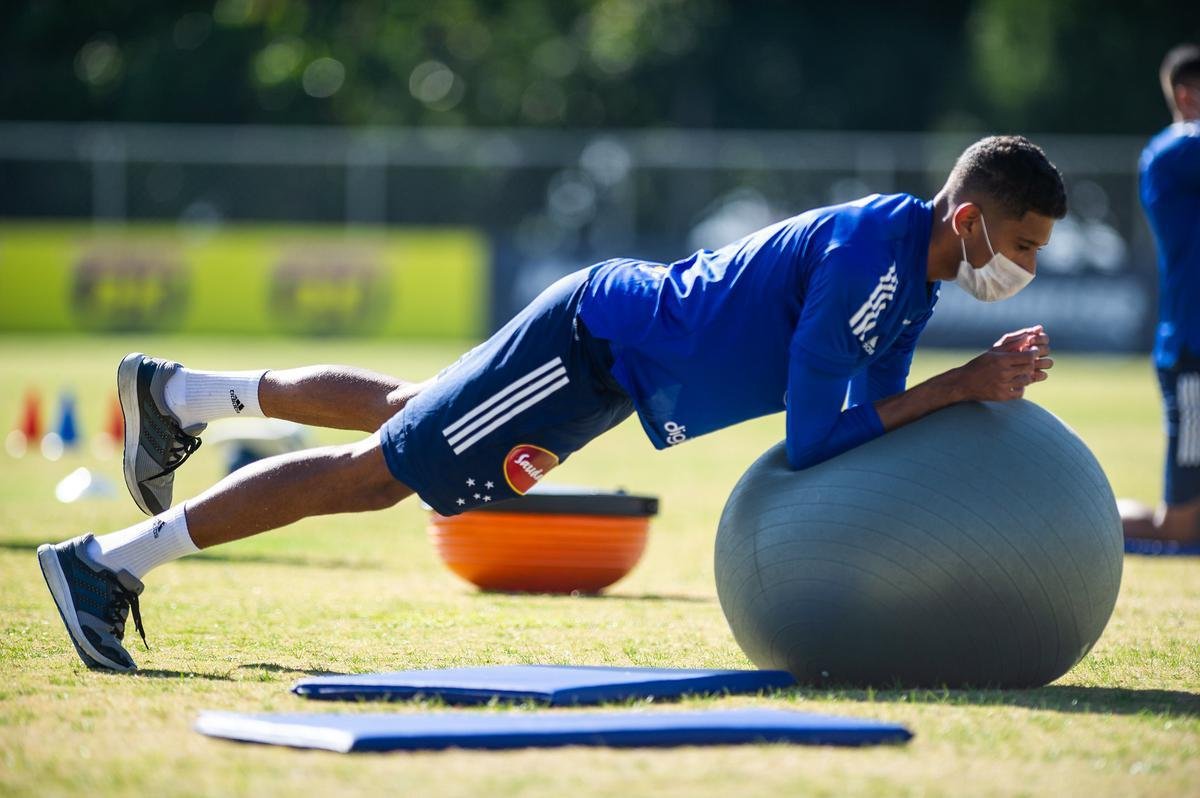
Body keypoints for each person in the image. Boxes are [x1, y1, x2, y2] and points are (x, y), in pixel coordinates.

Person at [37, 135, 1065, 672]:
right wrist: (966, 385)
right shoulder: (872, 259)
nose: (1023, 267)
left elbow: (872, 428)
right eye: (1021, 244)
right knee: (381, 477)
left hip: (609, 357)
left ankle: (176, 393)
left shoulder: (912, 276)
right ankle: (106, 564)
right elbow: (814, 441)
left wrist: (959, 389)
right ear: (971, 216)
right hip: (593, 349)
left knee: (407, 412)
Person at [1120, 44, 1200, 546]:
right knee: (1179, 530)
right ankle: (1079, 526)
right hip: (1194, 353)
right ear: (1187, 97)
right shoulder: (1172, 151)